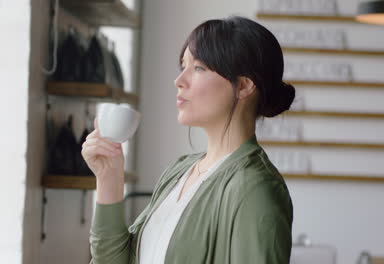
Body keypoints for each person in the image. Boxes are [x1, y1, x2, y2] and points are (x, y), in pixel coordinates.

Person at [82, 15, 295, 264]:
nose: (179, 81)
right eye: (182, 66)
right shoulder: (180, 171)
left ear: (244, 86)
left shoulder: (255, 189)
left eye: (198, 68)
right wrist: (109, 177)